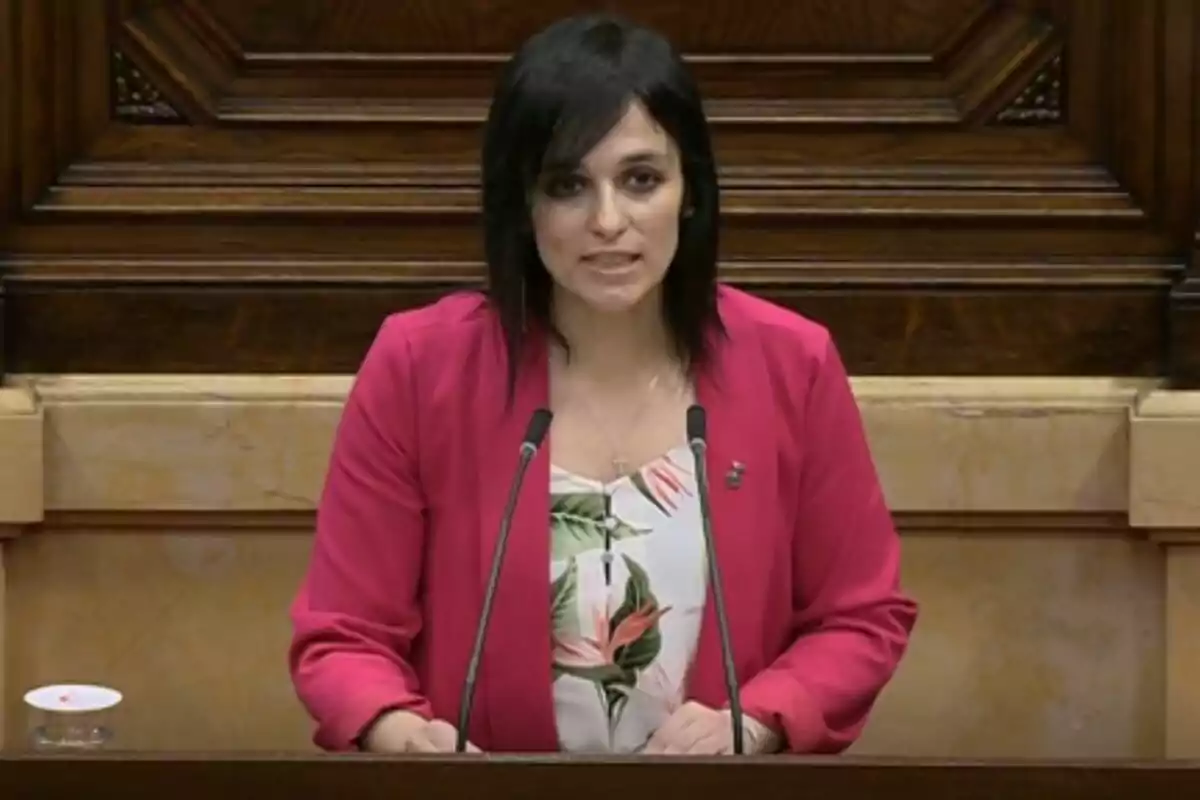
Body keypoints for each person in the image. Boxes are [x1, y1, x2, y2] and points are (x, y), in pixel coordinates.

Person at [288, 12, 917, 756]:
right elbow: (343, 636)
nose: (608, 220)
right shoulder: (421, 366)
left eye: (641, 179)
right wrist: (400, 734)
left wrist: (755, 721)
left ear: (690, 192)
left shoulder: (791, 363)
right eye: (568, 185)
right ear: (523, 205)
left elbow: (860, 618)